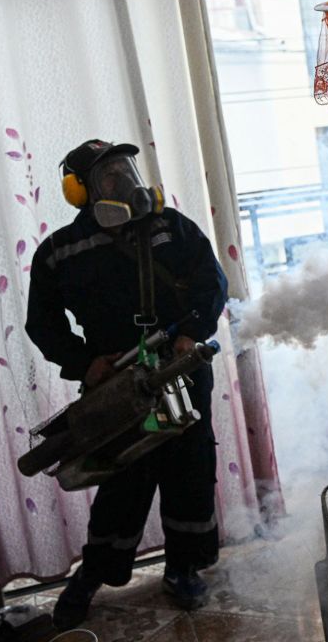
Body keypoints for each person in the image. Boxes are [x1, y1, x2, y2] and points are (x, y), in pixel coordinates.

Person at [25, 140, 228, 629]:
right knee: (121, 478)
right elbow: (43, 323)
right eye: (107, 175)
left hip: (181, 369)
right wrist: (84, 364)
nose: (122, 180)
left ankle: (183, 568)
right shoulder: (59, 252)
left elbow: (212, 285)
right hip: (113, 385)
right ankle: (94, 574)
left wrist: (189, 335)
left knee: (189, 470)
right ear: (80, 191)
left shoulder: (171, 227)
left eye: (124, 167)